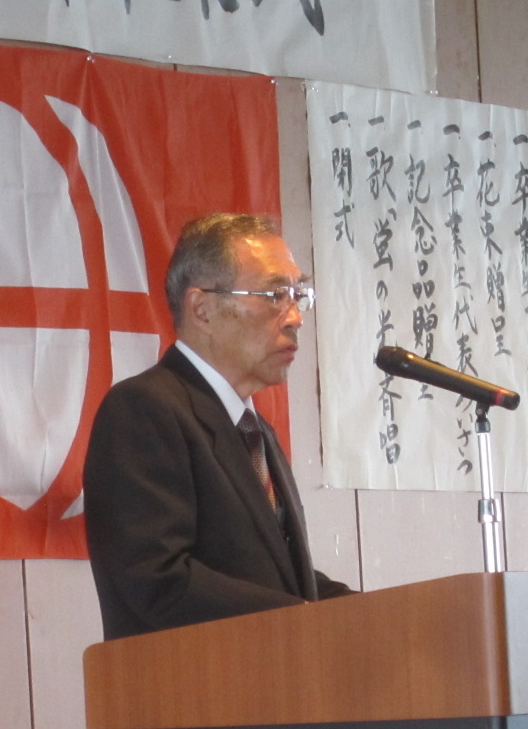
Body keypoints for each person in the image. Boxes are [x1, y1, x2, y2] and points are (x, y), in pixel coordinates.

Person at [84, 213, 353, 639]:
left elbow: (278, 580)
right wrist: (302, 619)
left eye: (298, 294)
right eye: (275, 294)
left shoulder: (255, 430)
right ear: (203, 309)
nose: (295, 317)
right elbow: (157, 577)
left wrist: (370, 614)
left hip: (273, 674)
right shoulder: (143, 410)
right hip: (186, 678)